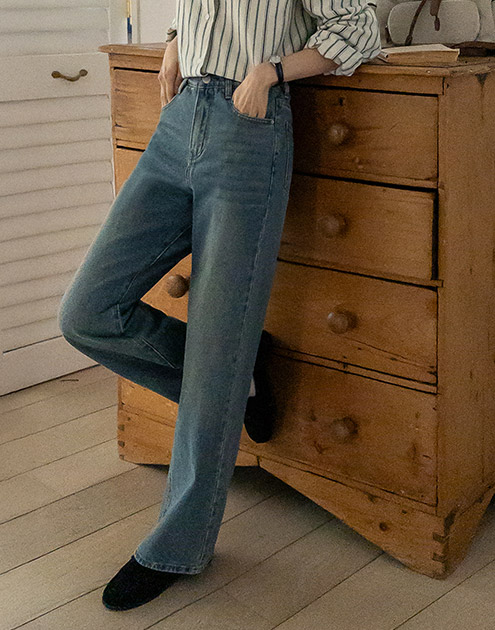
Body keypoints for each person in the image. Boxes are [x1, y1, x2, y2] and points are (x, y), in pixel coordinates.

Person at [57, 0, 381, 612]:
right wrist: (174, 42)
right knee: (86, 312)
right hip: (180, 118)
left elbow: (360, 27)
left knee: (215, 353)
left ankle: (177, 547)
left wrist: (271, 72)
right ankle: (237, 377)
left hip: (248, 130)